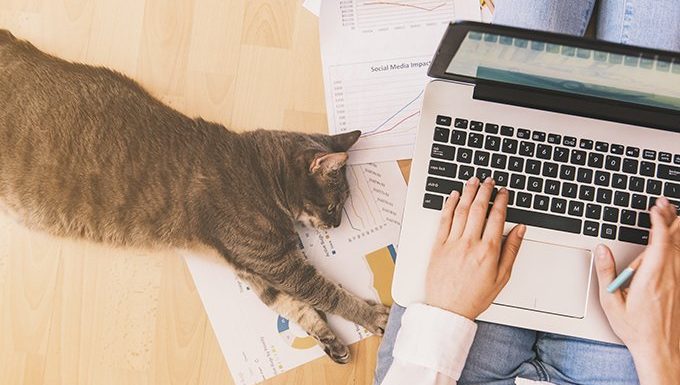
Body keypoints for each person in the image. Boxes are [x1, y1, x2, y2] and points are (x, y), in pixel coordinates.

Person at [374, 3, 680, 383]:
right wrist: (661, 359)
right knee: (658, 74)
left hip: (446, 362)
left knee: (522, 46)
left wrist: (445, 310)